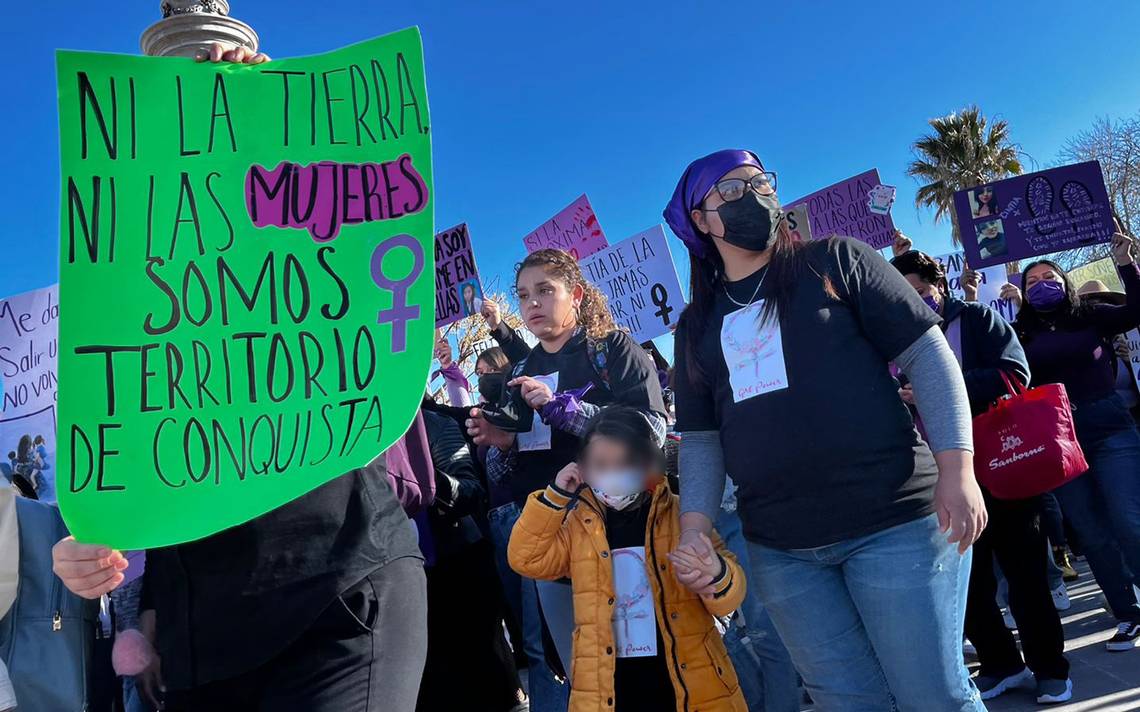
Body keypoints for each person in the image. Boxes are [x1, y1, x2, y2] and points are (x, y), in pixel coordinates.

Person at [50, 43, 429, 712]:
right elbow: (122, 499)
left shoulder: (294, 232)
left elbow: (346, 238)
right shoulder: (121, 323)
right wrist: (88, 555)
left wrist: (268, 116)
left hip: (342, 590)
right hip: (205, 637)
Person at [664, 149, 987, 711]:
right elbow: (701, 439)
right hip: (781, 550)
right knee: (848, 702)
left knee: (932, 695)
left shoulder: (837, 260)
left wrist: (959, 470)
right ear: (700, 220)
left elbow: (929, 359)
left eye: (760, 182)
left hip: (895, 522)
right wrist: (694, 526)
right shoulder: (696, 326)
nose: (757, 197)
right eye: (733, 191)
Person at [467, 248, 668, 680]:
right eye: (523, 296)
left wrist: (565, 409)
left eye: (545, 290)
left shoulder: (612, 349)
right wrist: (501, 441)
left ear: (575, 294)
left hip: (621, 536)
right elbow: (522, 459)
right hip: (556, 544)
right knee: (584, 677)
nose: (532, 304)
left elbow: (651, 430)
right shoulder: (520, 367)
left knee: (643, 670)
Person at [892, 250, 1072, 704]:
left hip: (1000, 465)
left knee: (1025, 574)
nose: (914, 302)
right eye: (903, 296)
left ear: (940, 287)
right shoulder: (889, 340)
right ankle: (1000, 663)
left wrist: (940, 384)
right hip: (935, 479)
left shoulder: (975, 319)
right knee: (967, 585)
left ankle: (1051, 669)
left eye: (920, 292)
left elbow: (1015, 373)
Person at [508, 407, 747, 711]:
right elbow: (525, 557)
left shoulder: (682, 515)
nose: (613, 473)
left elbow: (729, 598)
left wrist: (716, 574)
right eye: (601, 464)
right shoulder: (579, 524)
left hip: (685, 681)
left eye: (624, 463)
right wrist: (555, 496)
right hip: (607, 686)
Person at [1003, 230, 1140, 652]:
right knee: (1092, 532)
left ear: (1063, 280)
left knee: (1127, 519)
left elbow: (1136, 308)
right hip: (1058, 441)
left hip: (1109, 426)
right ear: (1022, 294)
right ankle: (1127, 613)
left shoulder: (1092, 314)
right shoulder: (1019, 333)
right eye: (1031, 282)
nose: (1041, 284)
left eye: (1049, 277)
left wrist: (1125, 264)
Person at [416, 407, 526, 712]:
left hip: (457, 568)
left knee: (486, 682)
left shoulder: (433, 424)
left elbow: (470, 490)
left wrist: (422, 480)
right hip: (400, 579)